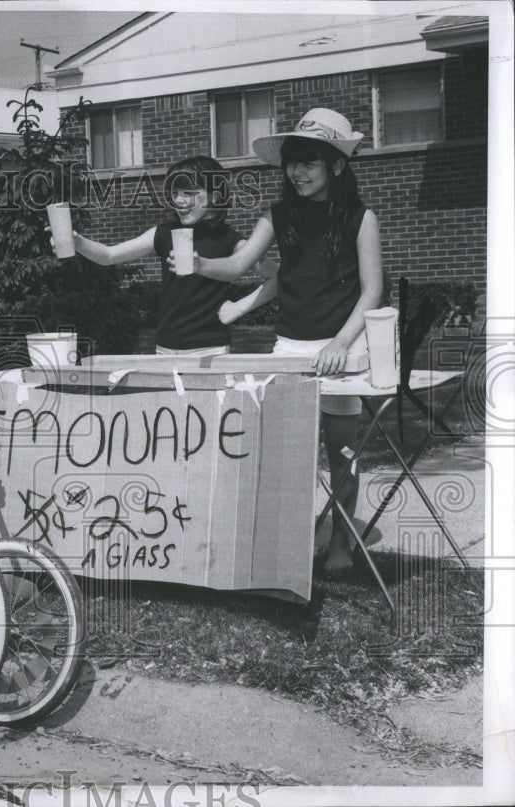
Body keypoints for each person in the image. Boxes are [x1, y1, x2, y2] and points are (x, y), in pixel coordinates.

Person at [193, 108, 384, 576]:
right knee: (281, 452)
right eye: (292, 162)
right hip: (290, 348)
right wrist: (198, 264)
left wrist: (340, 344)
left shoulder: (362, 219)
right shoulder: (279, 216)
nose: (297, 172)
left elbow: (372, 290)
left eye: (309, 162)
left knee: (341, 453)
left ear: (336, 165)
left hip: (344, 348)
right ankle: (284, 549)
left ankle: (341, 545)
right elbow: (238, 269)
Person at [67, 155, 276, 355]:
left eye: (189, 192)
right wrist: (77, 241)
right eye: (175, 193)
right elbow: (108, 255)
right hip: (165, 347)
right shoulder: (163, 233)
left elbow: (279, 277)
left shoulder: (230, 241)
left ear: (215, 195)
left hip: (210, 350)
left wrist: (239, 308)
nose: (179, 200)